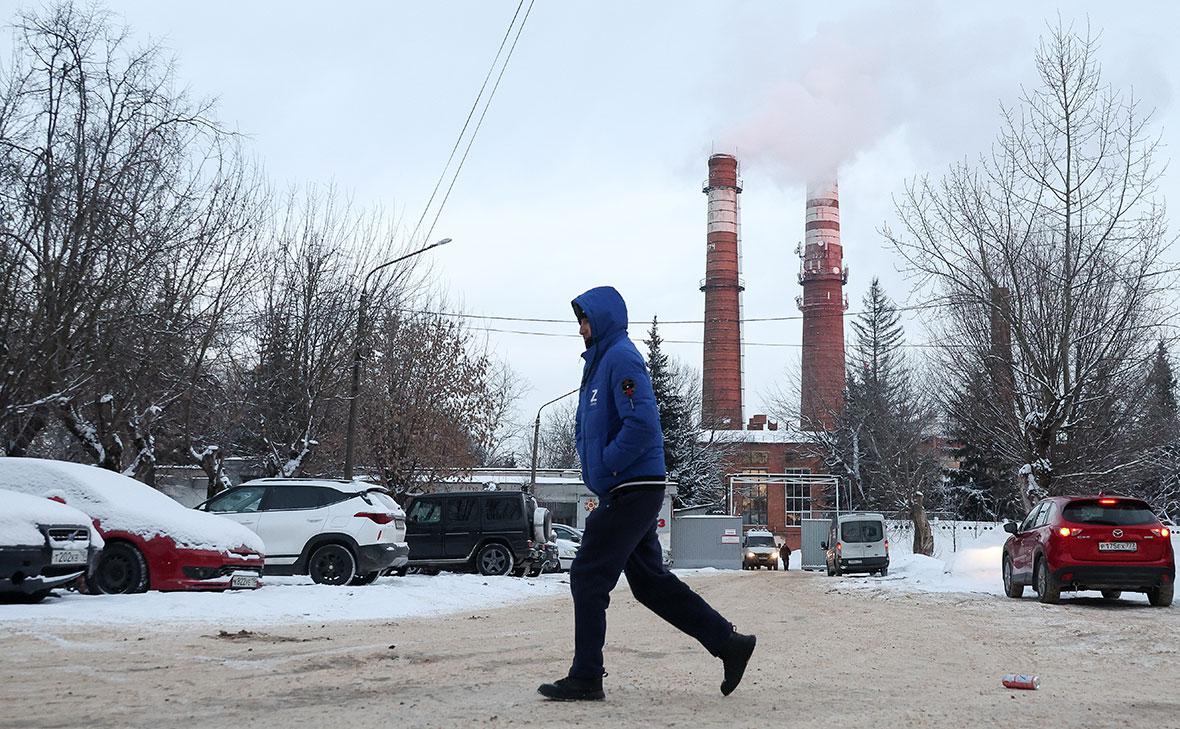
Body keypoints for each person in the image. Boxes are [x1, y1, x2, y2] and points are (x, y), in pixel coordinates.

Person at [538, 285, 756, 702]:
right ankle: (731, 645)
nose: (581, 329)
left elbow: (643, 425)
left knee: (587, 575)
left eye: (585, 320)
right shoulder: (602, 362)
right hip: (626, 485)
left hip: (632, 486)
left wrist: (607, 463)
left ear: (601, 319)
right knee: (650, 584)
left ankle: (586, 675)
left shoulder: (621, 357)